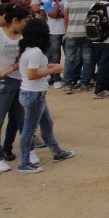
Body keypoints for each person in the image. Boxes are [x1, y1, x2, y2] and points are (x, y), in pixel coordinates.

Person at [16, 19, 74, 173]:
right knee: (29, 130)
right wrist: (51, 71)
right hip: (34, 94)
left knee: (47, 124)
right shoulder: (35, 51)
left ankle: (57, 152)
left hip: (33, 94)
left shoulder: (28, 49)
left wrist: (48, 67)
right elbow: (32, 75)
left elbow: (32, 70)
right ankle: (24, 163)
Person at [0, 6, 34, 173]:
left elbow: (25, 57)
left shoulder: (24, 36)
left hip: (22, 82)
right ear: (15, 20)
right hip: (2, 83)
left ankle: (29, 151)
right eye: (25, 21)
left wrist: (13, 67)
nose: (27, 24)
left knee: (23, 120)